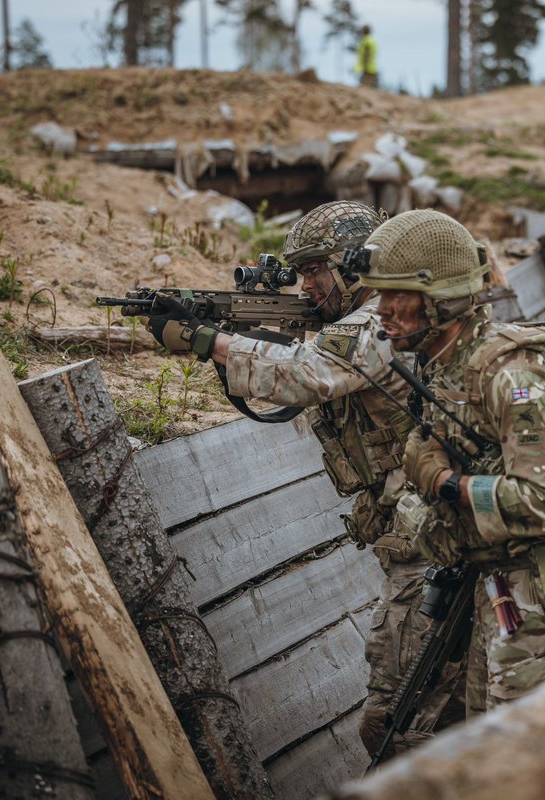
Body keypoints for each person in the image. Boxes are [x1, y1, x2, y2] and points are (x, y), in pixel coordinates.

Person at [144, 201, 462, 760]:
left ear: (353, 266)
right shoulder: (355, 322)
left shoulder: (379, 323)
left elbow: (304, 372)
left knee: (393, 726)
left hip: (432, 544)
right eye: (303, 270)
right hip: (419, 540)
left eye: (317, 269)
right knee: (441, 717)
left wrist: (205, 341)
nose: (306, 283)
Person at [355, 208, 545, 714]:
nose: (383, 309)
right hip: (497, 588)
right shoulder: (446, 369)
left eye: (398, 295)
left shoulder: (512, 374)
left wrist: (446, 484)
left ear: (441, 298)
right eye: (380, 295)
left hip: (538, 602)